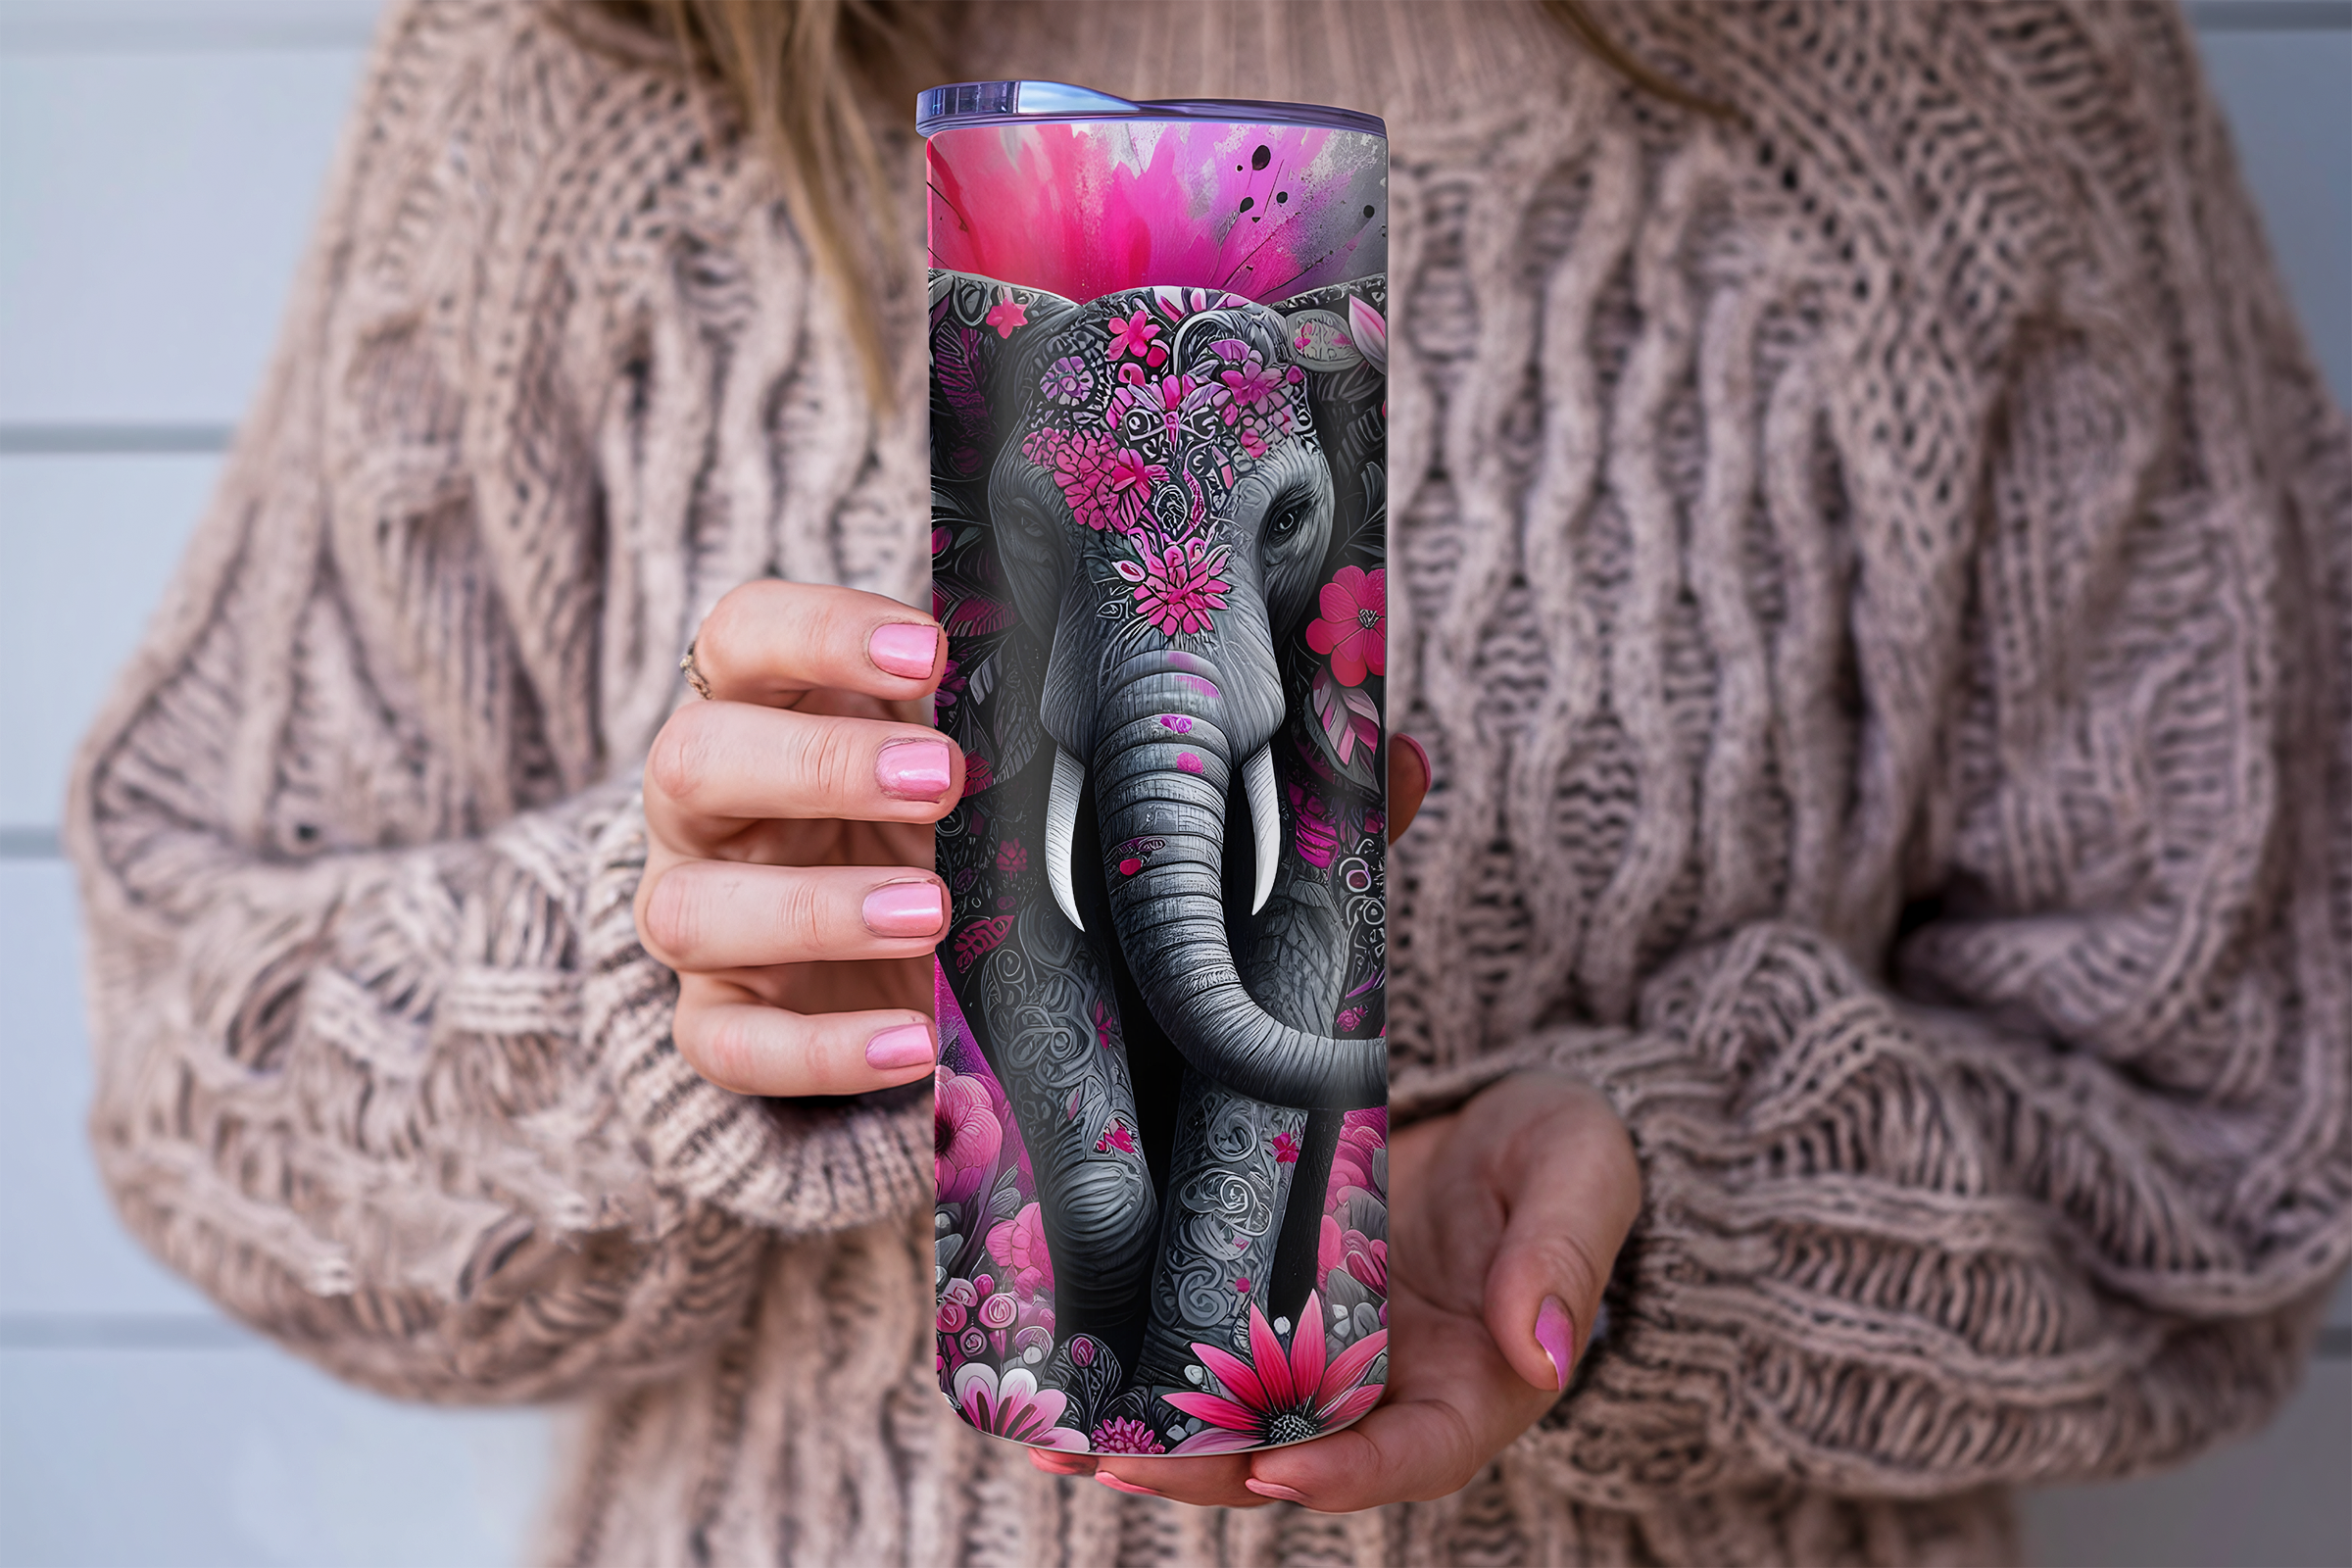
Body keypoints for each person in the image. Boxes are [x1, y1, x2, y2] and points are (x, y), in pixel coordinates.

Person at [66, 0, 2352, 1560]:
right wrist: (657, 1000)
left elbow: (2231, 1141)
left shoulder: (1963, 86)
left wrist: (1685, 1213)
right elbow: (198, 1051)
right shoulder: (583, 67)